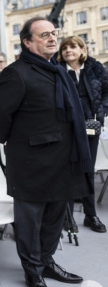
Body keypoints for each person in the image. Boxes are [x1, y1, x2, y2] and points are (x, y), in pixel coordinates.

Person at [0, 17, 89, 287]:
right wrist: (12, 140)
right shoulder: (16, 73)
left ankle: (46, 262)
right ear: (27, 42)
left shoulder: (58, 69)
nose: (51, 38)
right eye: (44, 35)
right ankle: (32, 271)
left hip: (62, 158)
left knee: (55, 216)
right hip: (31, 160)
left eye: (53, 34)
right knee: (31, 220)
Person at [58, 35, 107, 233]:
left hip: (90, 125)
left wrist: (102, 112)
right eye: (64, 48)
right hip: (67, 127)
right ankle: (68, 217)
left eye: (72, 47)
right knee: (68, 170)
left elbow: (106, 92)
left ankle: (90, 215)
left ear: (82, 49)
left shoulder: (95, 68)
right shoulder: (58, 71)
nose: (68, 50)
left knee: (88, 169)